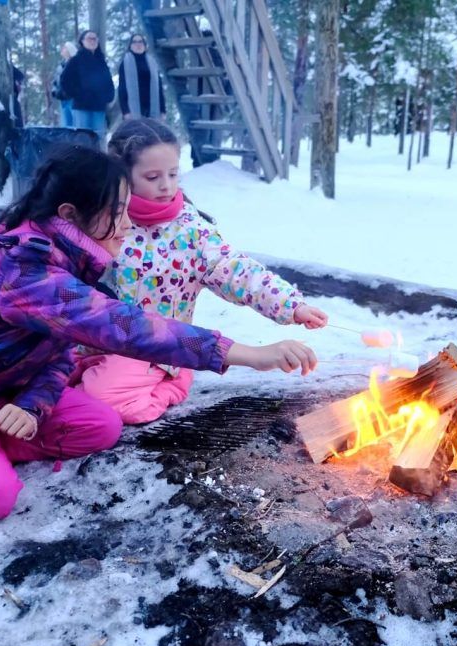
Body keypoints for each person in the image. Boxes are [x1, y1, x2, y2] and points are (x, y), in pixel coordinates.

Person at [0, 146, 317, 525]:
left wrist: (32, 403)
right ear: (70, 215)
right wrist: (247, 353)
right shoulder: (29, 271)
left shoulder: (67, 258)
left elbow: (57, 351)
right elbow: (122, 326)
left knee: (98, 425)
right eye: (116, 212)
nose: (125, 223)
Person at [74, 119, 329, 425]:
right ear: (122, 174)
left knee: (100, 403)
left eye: (172, 174)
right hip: (90, 339)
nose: (166, 185)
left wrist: (291, 305)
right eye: (152, 176)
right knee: (51, 392)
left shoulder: (189, 230)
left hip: (154, 349)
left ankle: (173, 383)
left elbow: (236, 270)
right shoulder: (102, 217)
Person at [61, 30, 115, 136]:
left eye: (95, 38)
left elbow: (108, 81)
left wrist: (108, 96)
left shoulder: (101, 61)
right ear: (82, 41)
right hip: (82, 107)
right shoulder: (76, 60)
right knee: (83, 138)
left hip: (99, 107)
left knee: (99, 138)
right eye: (89, 38)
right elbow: (65, 81)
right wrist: (77, 94)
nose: (92, 41)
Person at [118, 34, 166, 121]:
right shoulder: (125, 63)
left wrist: (163, 110)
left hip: (152, 108)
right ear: (130, 46)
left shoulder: (152, 63)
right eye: (134, 42)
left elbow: (159, 88)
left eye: (140, 42)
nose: (138, 44)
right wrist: (125, 111)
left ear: (144, 45)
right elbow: (122, 89)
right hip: (133, 110)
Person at [52, 42, 78, 127]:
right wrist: (55, 91)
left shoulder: (76, 64)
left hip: (73, 98)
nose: (62, 50)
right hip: (63, 98)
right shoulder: (61, 66)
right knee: (66, 123)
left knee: (75, 122)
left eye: (64, 48)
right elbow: (56, 81)